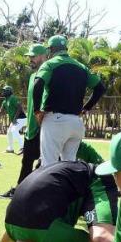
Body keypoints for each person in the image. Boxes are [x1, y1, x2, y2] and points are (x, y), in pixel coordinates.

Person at [32, 35, 106, 167]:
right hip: (75, 123)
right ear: (66, 49)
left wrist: (37, 110)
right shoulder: (82, 67)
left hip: (55, 121)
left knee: (48, 166)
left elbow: (38, 84)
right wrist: (86, 107)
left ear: (50, 50)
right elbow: (100, 88)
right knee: (69, 167)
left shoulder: (49, 64)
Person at [0, 44, 49, 199]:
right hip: (32, 128)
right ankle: (20, 191)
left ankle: (33, 192)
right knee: (27, 162)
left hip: (45, 126)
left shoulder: (49, 74)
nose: (30, 59)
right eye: (29, 57)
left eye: (33, 56)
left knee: (46, 163)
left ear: (43, 56)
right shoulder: (33, 76)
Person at [0, 85, 26, 153]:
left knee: (14, 131)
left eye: (4, 90)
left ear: (9, 92)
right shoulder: (5, 101)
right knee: (9, 132)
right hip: (15, 119)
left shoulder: (12, 98)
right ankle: (10, 148)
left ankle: (23, 147)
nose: (3, 92)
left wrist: (15, 118)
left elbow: (19, 107)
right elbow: (1, 111)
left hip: (21, 118)